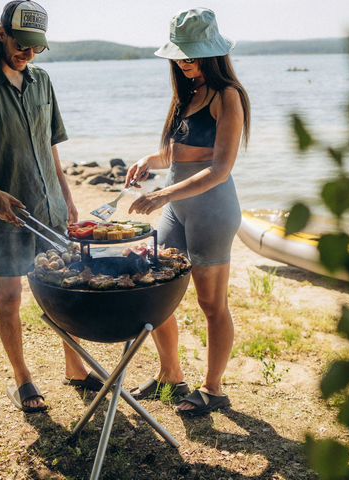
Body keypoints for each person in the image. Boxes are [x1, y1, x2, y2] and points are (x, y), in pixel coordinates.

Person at [0, 0, 102, 413]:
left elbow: (50, 149)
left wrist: (66, 196)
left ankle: (76, 369)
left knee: (62, 293)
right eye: (21, 44)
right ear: (1, 34)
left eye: (36, 47)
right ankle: (23, 379)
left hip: (48, 211)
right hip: (2, 219)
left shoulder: (43, 83)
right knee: (10, 300)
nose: (28, 54)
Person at [126, 7, 251, 416]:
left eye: (191, 56)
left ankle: (213, 389)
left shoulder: (227, 96)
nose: (183, 63)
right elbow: (181, 154)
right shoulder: (188, 93)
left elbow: (219, 169)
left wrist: (161, 196)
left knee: (211, 304)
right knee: (155, 292)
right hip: (178, 208)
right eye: (179, 56)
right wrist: (149, 160)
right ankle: (171, 375)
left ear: (212, 54)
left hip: (212, 210)